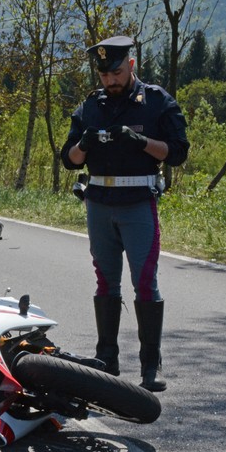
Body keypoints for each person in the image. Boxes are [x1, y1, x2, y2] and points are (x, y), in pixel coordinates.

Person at [60, 36, 190, 392]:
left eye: (116, 73)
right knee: (106, 281)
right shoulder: (91, 105)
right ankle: (107, 359)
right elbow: (68, 159)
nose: (110, 81)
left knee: (145, 281)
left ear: (131, 66)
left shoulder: (156, 101)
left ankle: (150, 366)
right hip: (99, 204)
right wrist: (83, 145)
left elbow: (178, 152)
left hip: (138, 204)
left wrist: (141, 142)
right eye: (104, 75)